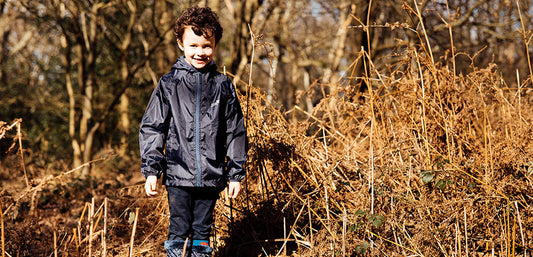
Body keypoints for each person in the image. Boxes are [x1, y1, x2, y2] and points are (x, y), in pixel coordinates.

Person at [139, 6, 247, 257]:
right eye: (194, 45)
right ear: (181, 44)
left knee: (202, 233)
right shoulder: (169, 84)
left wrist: (235, 174)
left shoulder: (222, 85)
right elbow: (153, 127)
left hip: (211, 175)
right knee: (178, 232)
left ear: (215, 45)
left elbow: (235, 131)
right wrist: (152, 170)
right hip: (178, 174)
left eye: (207, 46)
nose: (200, 52)